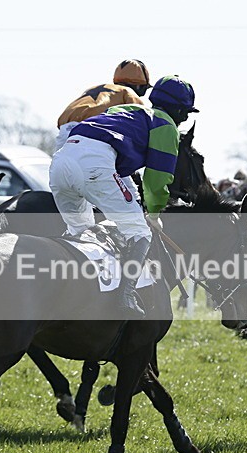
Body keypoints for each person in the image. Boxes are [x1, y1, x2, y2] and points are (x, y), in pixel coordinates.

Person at [49, 75, 198, 318]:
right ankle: (126, 296)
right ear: (180, 110)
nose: (185, 119)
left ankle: (76, 296)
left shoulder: (125, 110)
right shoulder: (166, 126)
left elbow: (121, 173)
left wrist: (137, 204)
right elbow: (157, 179)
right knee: (140, 232)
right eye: (187, 113)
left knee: (82, 233)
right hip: (94, 163)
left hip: (61, 161)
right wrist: (154, 214)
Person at [54, 59, 151, 153]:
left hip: (65, 131)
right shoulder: (128, 92)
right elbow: (142, 122)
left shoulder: (94, 88)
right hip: (91, 131)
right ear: (139, 85)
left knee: (62, 163)